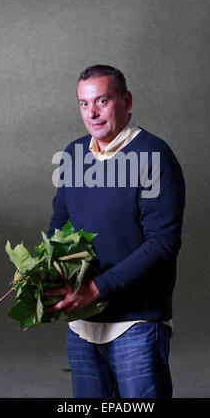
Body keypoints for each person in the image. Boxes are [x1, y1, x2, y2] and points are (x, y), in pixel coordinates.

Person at [44, 64, 186, 398]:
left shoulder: (154, 155)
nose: (91, 113)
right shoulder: (74, 155)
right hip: (82, 327)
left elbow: (163, 245)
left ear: (126, 100)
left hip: (136, 325)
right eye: (83, 103)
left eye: (102, 101)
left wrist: (96, 288)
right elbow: (58, 227)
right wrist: (45, 274)